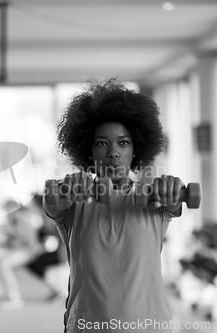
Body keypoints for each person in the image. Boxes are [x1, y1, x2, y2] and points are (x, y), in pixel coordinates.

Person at [43, 78, 185, 333]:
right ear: (88, 151)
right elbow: (52, 201)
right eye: (101, 143)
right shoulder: (73, 200)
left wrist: (173, 189)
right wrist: (66, 190)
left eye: (123, 142)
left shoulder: (154, 197)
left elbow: (173, 203)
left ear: (136, 150)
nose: (113, 152)